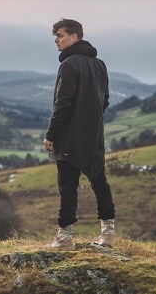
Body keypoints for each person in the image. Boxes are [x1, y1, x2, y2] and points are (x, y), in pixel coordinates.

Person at [43, 18, 115, 250]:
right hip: (93, 136)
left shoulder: (69, 65)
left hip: (69, 138)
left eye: (60, 36)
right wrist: (91, 122)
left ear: (74, 37)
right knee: (99, 182)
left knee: (67, 186)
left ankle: (64, 239)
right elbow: (104, 101)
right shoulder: (100, 65)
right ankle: (108, 235)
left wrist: (51, 134)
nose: (56, 40)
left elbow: (61, 105)